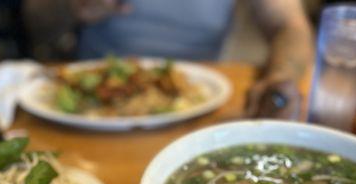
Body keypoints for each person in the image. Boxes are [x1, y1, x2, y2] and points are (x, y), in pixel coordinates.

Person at [24, 0, 314, 119]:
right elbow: (35, 20)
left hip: (198, 106)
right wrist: (70, 6)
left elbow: (290, 26)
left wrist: (281, 76)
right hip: (86, 110)